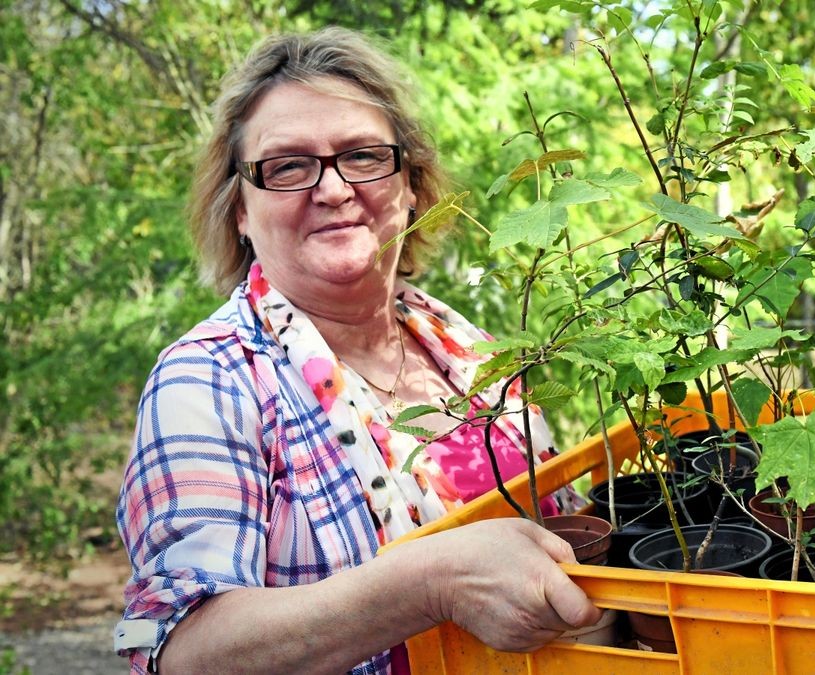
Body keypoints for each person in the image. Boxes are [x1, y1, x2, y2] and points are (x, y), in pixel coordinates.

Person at [114, 27, 599, 674]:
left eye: (364, 156)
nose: (335, 190)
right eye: (288, 166)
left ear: (412, 186)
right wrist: (430, 582)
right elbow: (184, 651)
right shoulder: (210, 380)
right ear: (239, 211)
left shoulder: (475, 354)